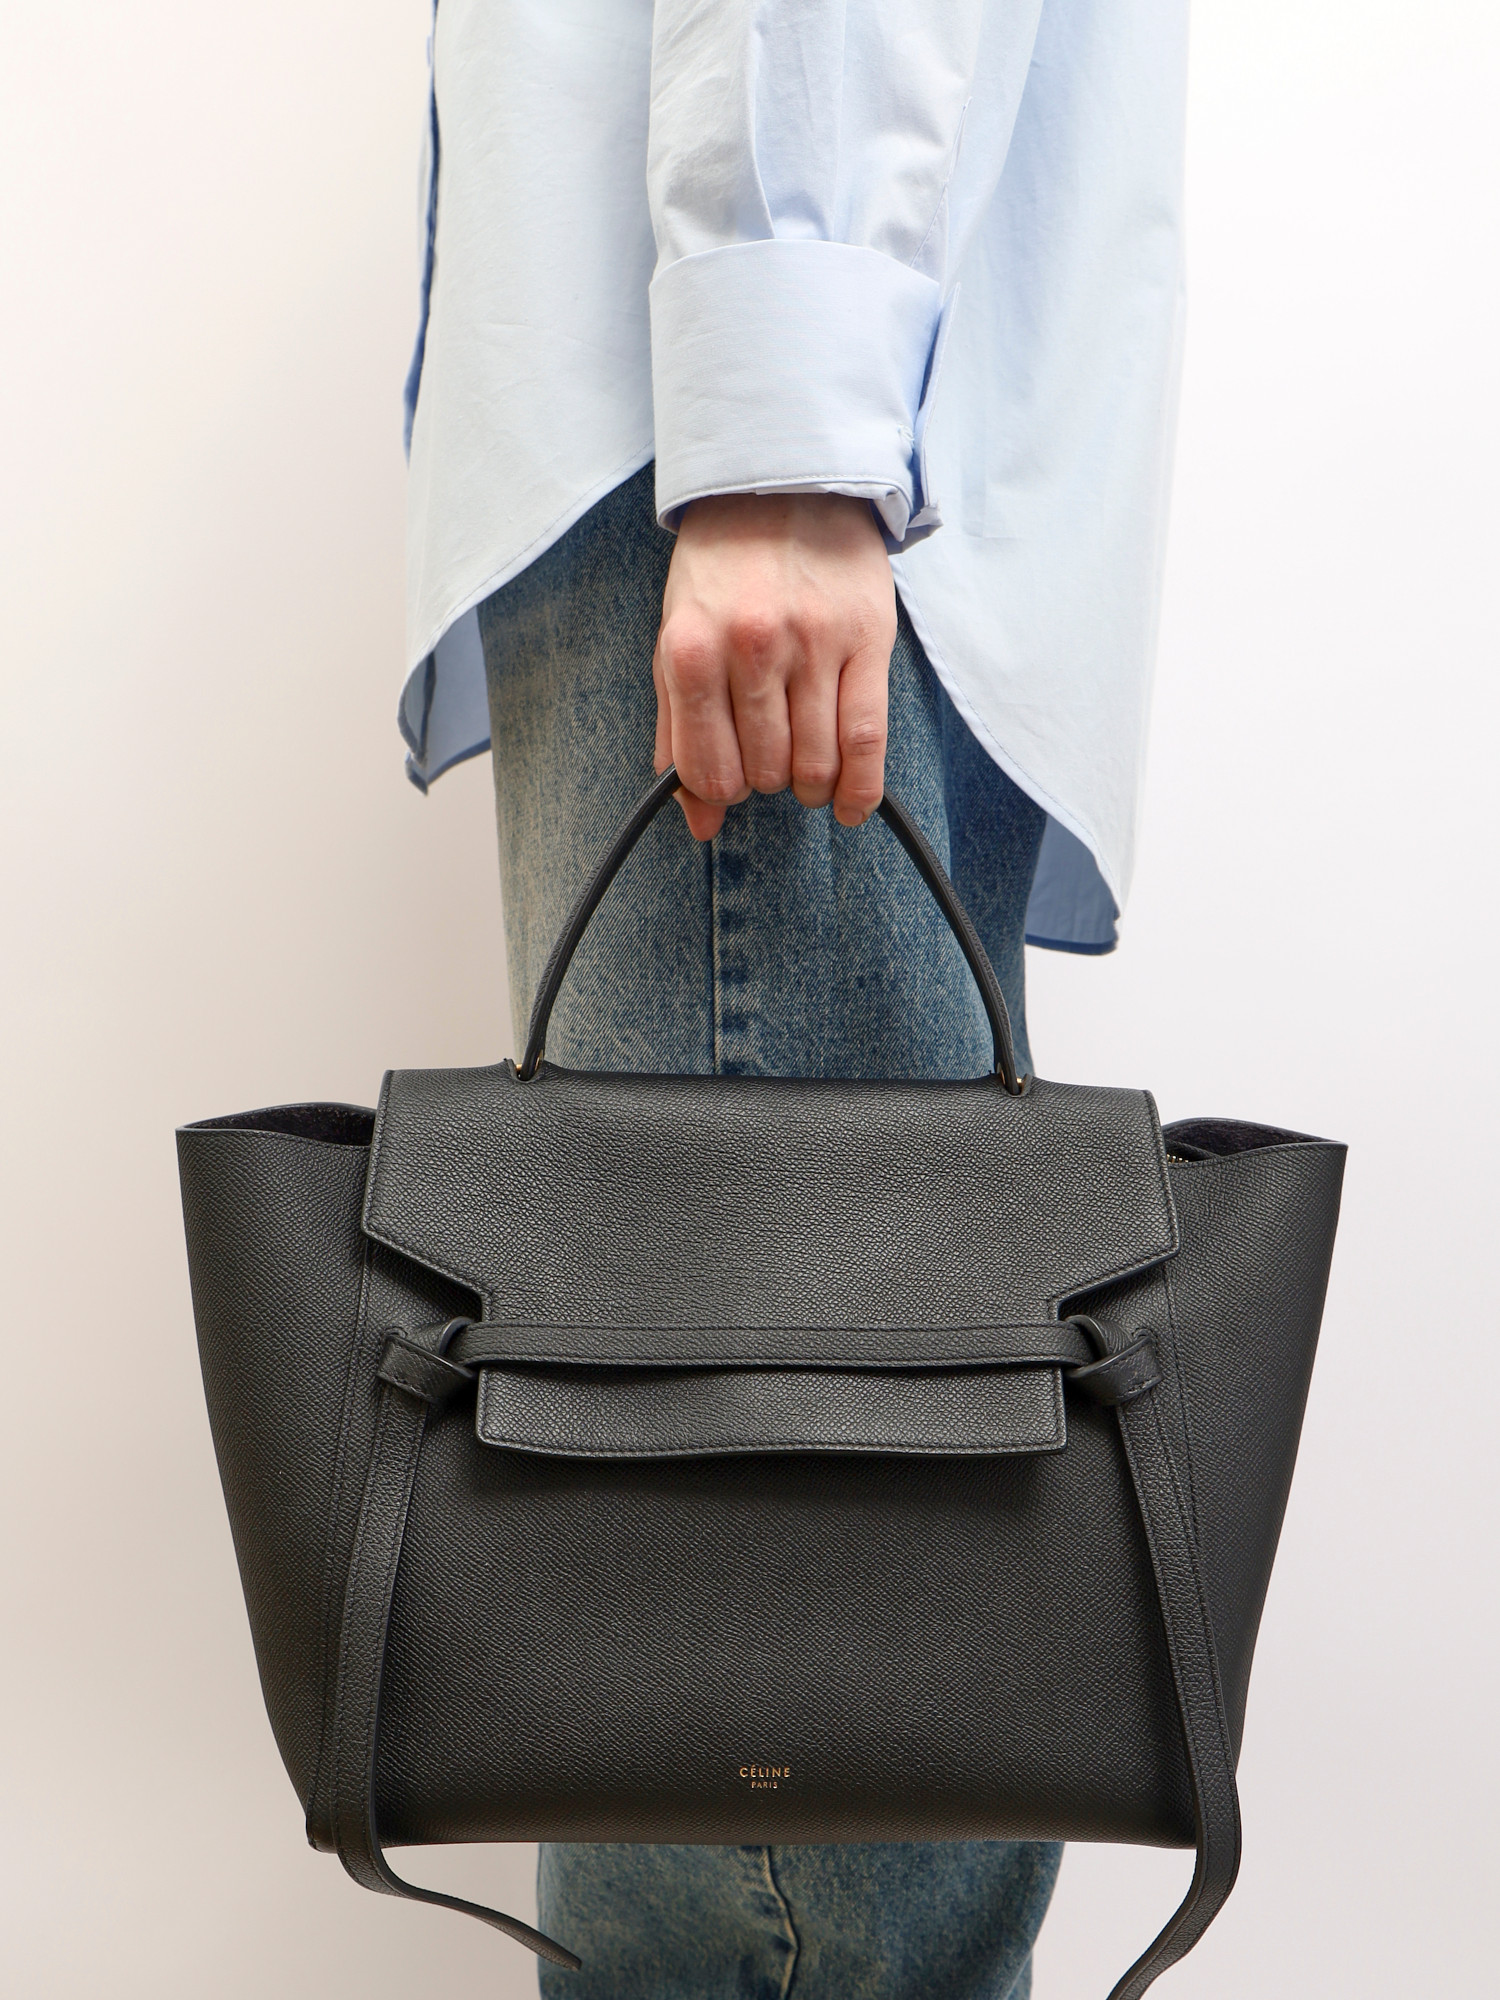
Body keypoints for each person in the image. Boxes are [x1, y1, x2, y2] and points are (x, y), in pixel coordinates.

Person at [398, 3, 1187, 1993]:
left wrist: (784, 423)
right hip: (763, 410)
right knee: (777, 1702)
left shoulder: (771, 449)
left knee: (769, 1783)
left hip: (746, 447)